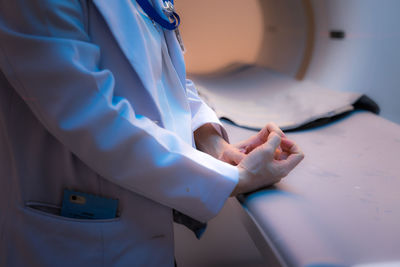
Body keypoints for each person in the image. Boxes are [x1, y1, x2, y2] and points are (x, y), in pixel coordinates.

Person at [0, 0, 304, 266]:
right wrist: (234, 179)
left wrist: (213, 143)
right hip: (75, 235)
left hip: (138, 228)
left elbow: (167, 74)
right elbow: (90, 114)